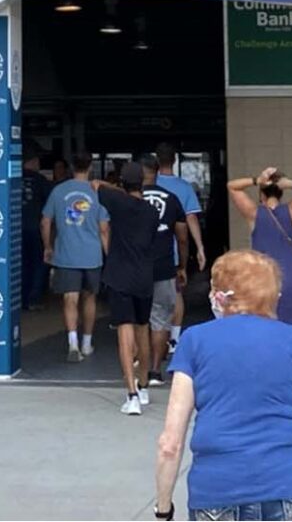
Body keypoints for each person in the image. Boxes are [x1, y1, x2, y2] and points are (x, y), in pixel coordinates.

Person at [154, 251, 292, 522]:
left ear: (220, 296)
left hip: (215, 490)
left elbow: (170, 444)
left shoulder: (194, 341)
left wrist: (164, 511)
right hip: (285, 487)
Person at [97, 160, 163, 415]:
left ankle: (131, 394)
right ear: (144, 183)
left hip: (119, 276)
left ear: (123, 184)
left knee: (125, 334)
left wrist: (114, 187)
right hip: (144, 277)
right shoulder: (151, 211)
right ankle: (144, 385)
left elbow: (95, 184)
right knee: (143, 331)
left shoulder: (116, 201)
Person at [229, 164, 292, 329]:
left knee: (265, 330)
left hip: (266, 279)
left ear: (261, 194)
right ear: (281, 192)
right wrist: (290, 183)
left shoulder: (254, 214)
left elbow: (232, 186)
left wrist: (257, 180)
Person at [43, 155, 105, 361]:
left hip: (66, 254)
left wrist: (48, 246)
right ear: (90, 167)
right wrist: (109, 253)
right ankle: (87, 344)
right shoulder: (96, 192)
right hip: (92, 255)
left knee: (70, 298)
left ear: (71, 167)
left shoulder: (58, 191)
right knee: (89, 297)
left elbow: (45, 222)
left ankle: (72, 344)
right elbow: (104, 228)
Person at [138, 159, 192, 387]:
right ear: (157, 172)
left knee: (134, 319)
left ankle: (136, 364)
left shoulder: (128, 199)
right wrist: (182, 266)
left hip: (134, 268)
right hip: (163, 267)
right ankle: (154, 371)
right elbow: (182, 237)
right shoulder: (171, 199)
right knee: (160, 320)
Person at [148, 151, 206, 343]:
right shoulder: (183, 187)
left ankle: (149, 340)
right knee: (176, 294)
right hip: (169, 252)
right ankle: (174, 339)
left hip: (143, 253)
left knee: (149, 298)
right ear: (174, 160)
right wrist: (199, 248)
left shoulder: (147, 184)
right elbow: (191, 218)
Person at [21, 153, 57, 310]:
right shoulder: (41, 180)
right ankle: (33, 299)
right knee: (38, 263)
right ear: (33, 161)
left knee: (20, 264)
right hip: (36, 228)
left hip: (15, 230)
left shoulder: (13, 179)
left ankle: (20, 298)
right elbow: (51, 206)